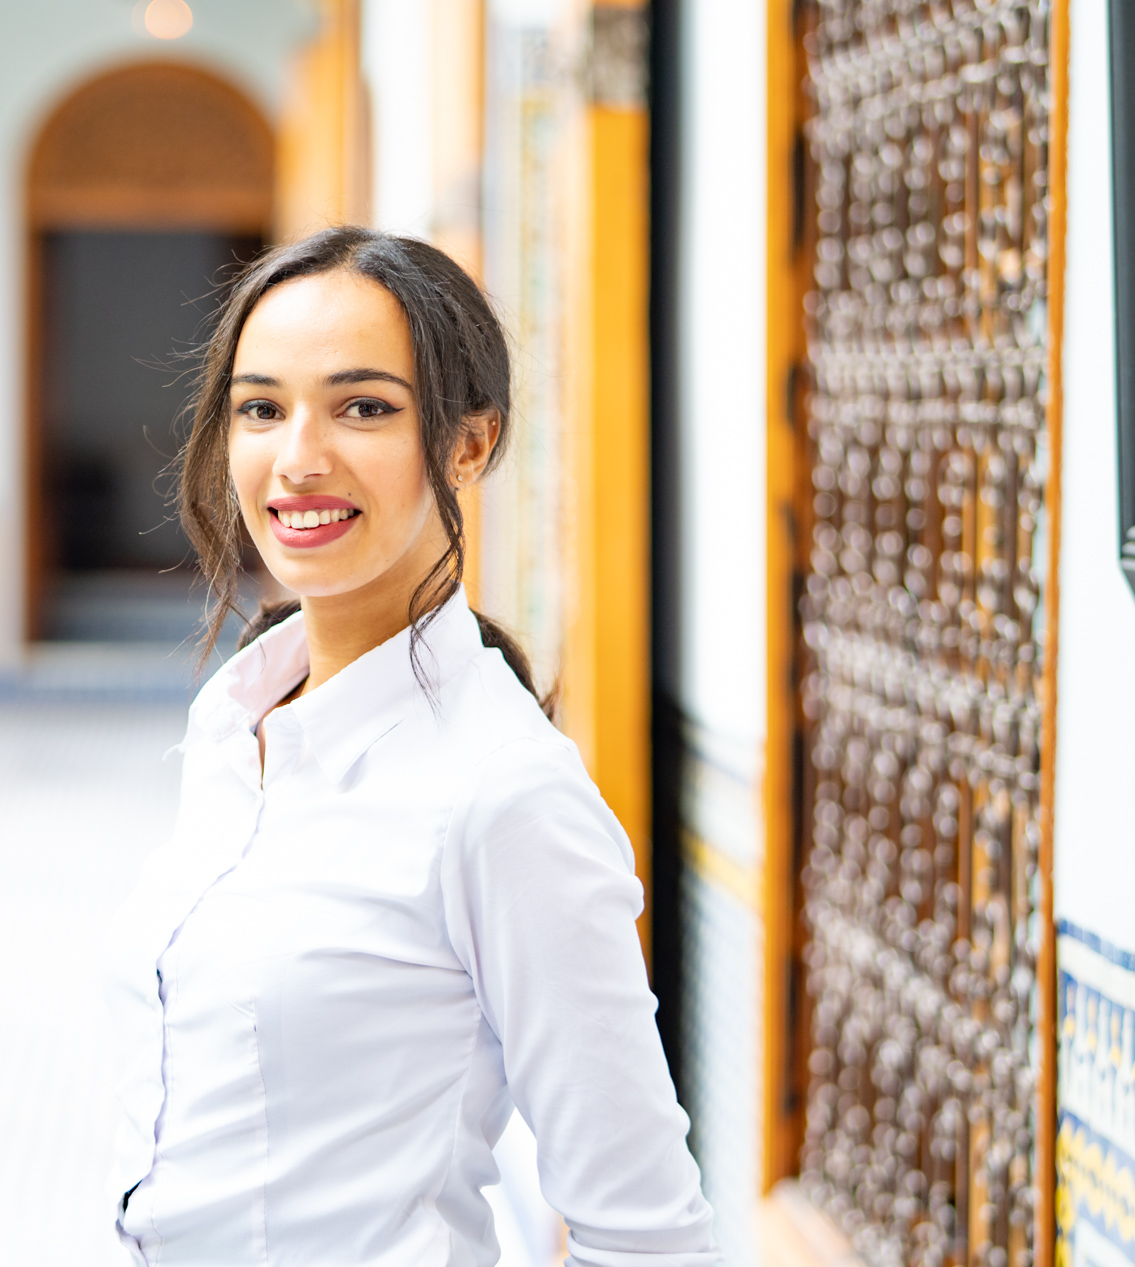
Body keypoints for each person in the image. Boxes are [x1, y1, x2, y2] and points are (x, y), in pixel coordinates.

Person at [103, 226, 721, 1266]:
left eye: (364, 408)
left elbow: (648, 1232)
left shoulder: (500, 791)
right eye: (262, 407)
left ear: (467, 444)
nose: (298, 456)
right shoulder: (238, 720)